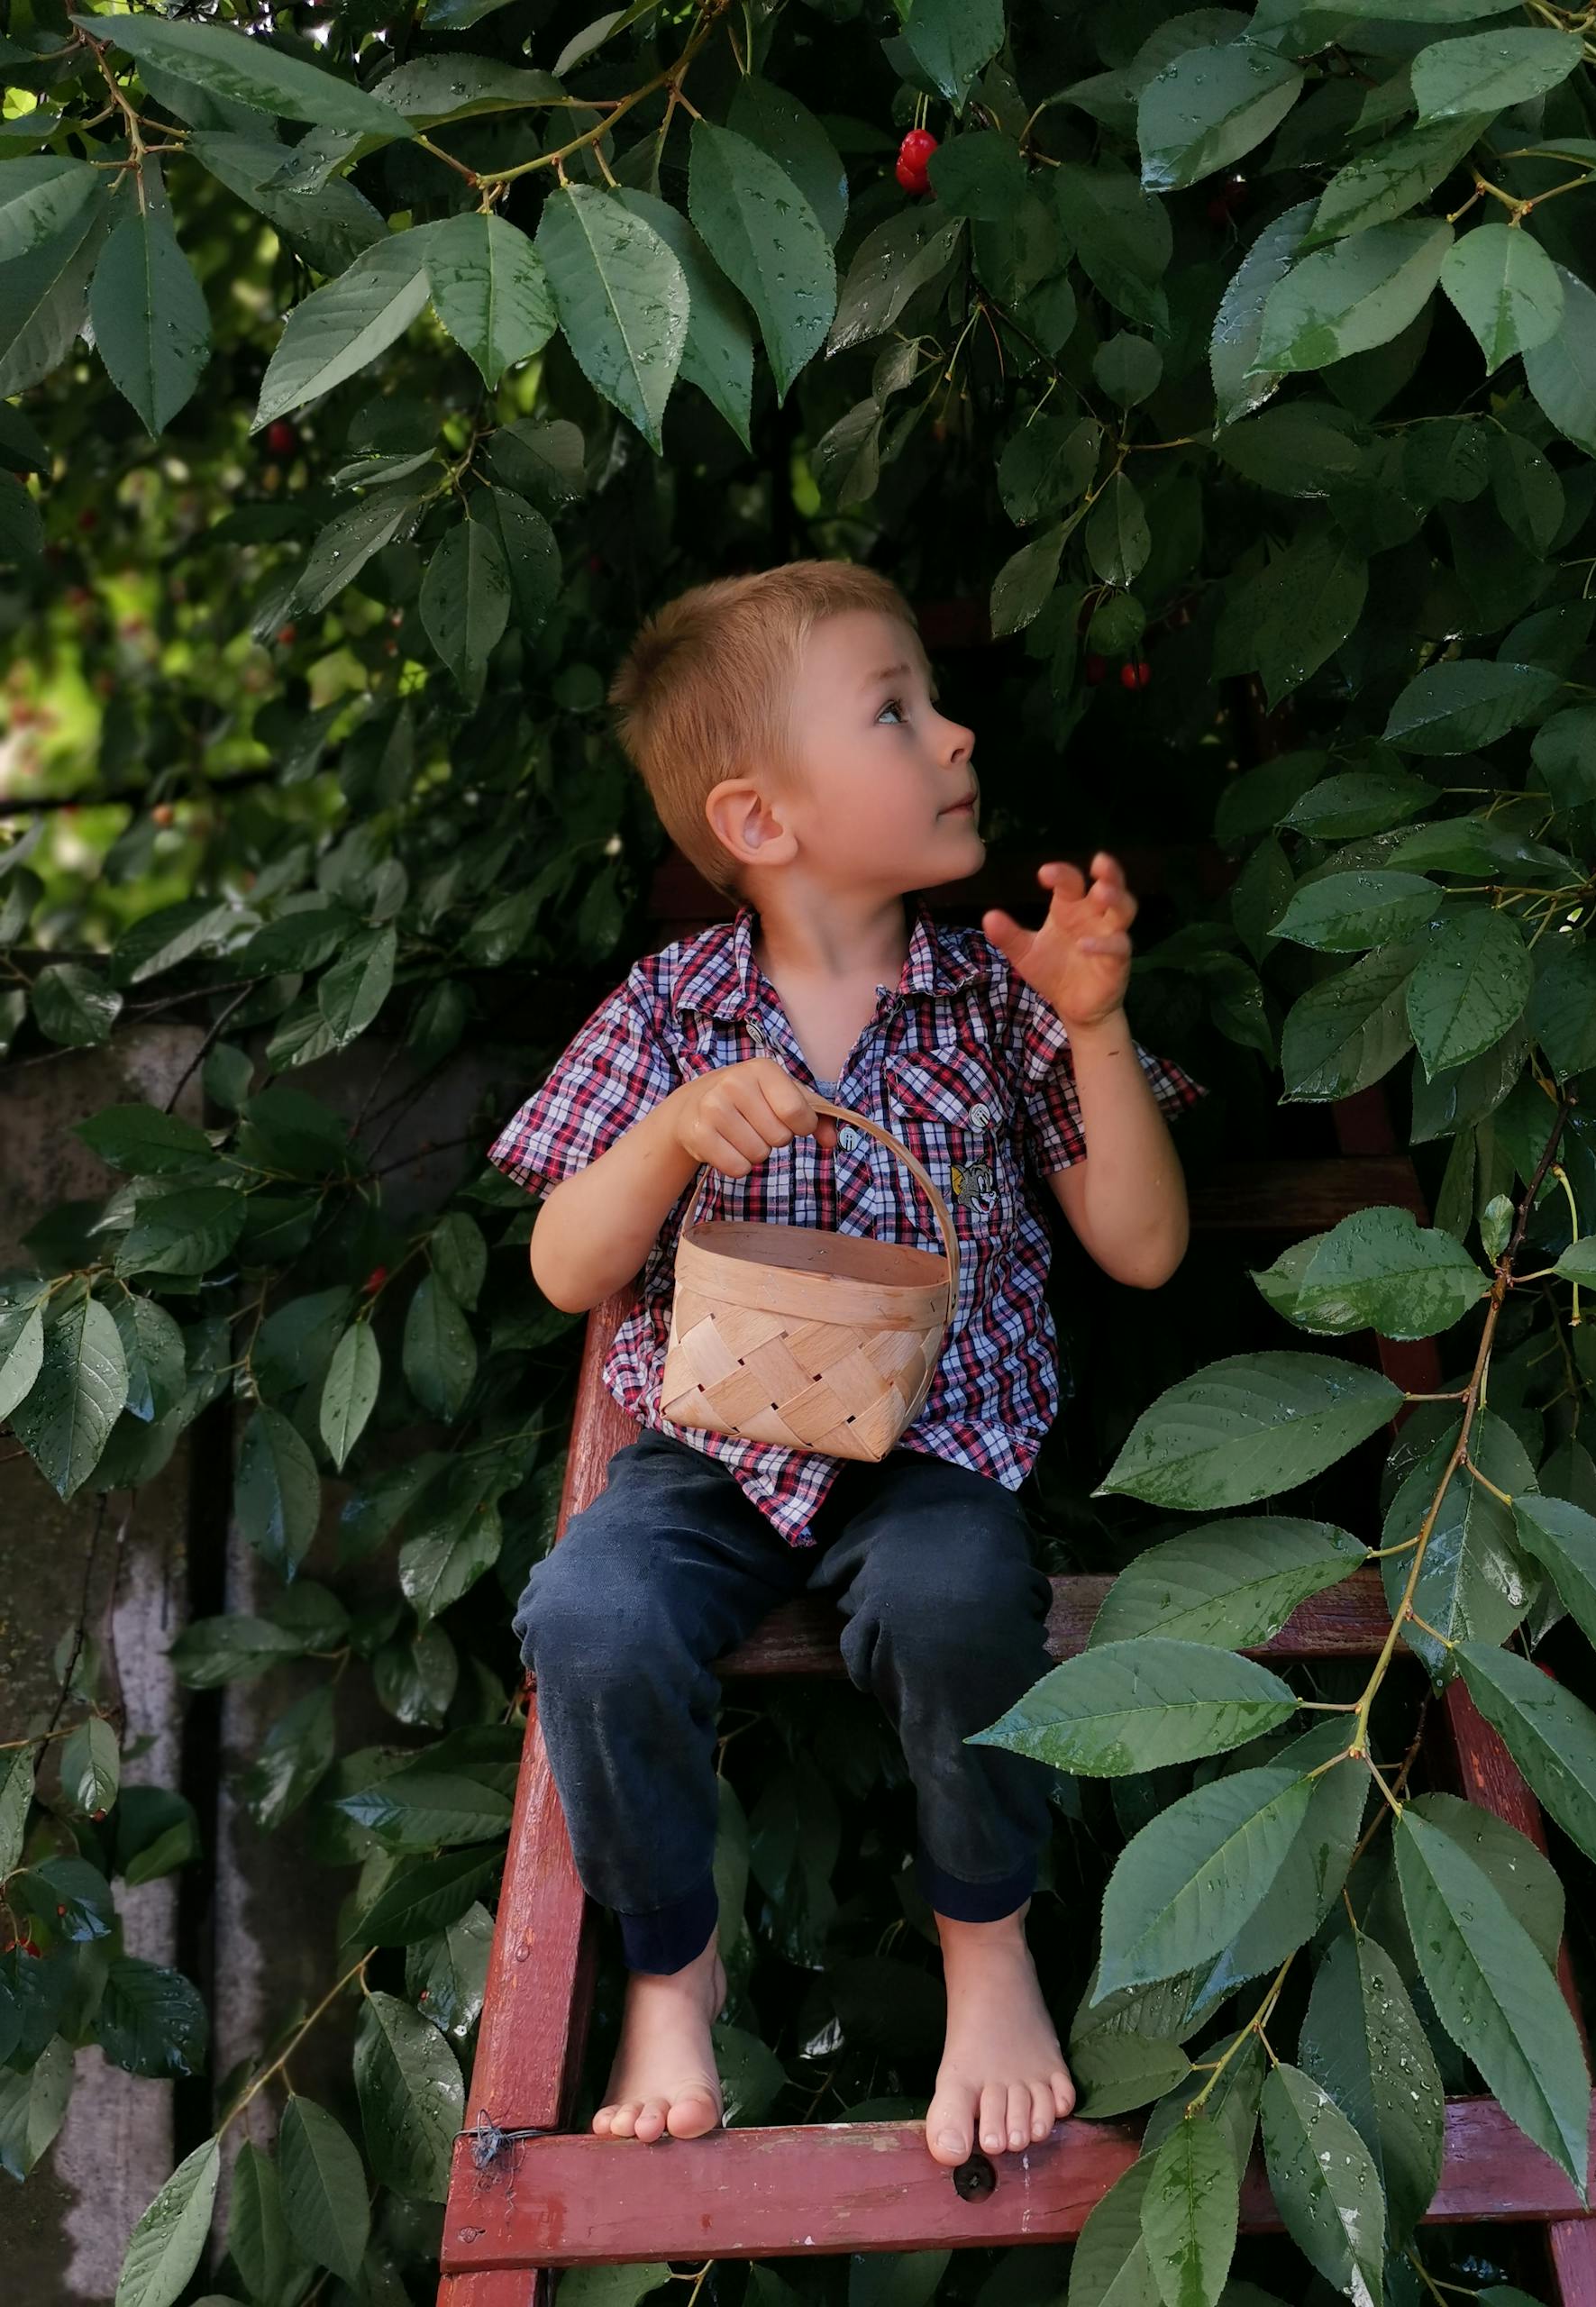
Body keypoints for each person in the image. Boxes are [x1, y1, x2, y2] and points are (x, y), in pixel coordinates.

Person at [488, 559, 1207, 2169]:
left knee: (955, 1601)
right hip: (712, 1460)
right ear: (759, 819)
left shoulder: (991, 1001)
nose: (956, 736)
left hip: (937, 1451)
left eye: (933, 705)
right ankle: (669, 1968)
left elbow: (1144, 1247)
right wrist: (671, 1136)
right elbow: (563, 1268)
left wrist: (1093, 1023)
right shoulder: (671, 1010)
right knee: (590, 1616)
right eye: (896, 711)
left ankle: (986, 1951)